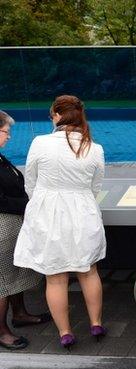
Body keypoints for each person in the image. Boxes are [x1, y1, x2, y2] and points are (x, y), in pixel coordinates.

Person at [13, 96, 107, 350]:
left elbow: (29, 181)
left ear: (56, 115)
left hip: (48, 214)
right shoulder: (94, 148)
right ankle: (96, 323)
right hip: (83, 212)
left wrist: (44, 200)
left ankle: (65, 333)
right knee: (89, 271)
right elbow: (95, 186)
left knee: (55, 277)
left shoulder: (40, 143)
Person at [0, 110, 52, 350]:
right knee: (2, 282)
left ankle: (20, 314)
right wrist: (30, 204)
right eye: (6, 132)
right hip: (2, 227)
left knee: (14, 273)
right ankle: (2, 331)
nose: (9, 137)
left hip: (12, 225)